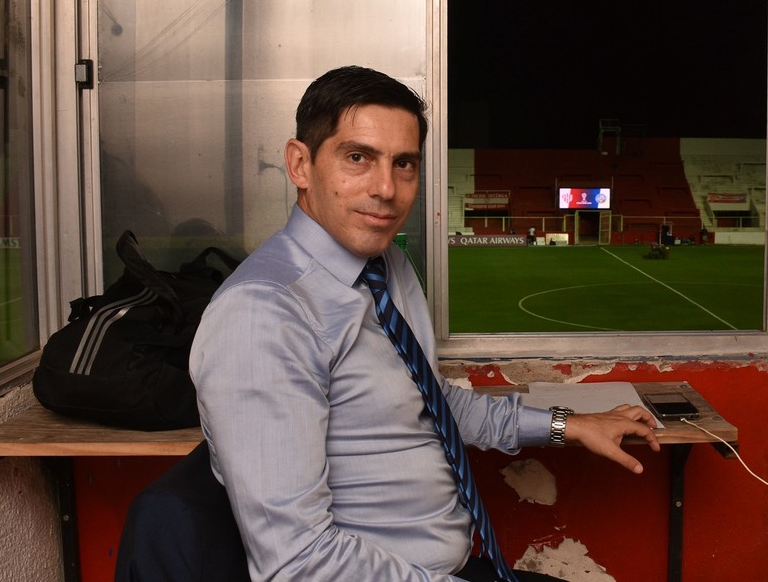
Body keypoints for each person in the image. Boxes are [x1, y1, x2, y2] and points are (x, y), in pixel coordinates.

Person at [190, 66, 660, 582]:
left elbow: (430, 400)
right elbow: (299, 563)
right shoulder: (264, 313)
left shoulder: (386, 265)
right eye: (357, 158)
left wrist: (566, 425)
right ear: (300, 164)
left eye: (404, 164)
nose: (387, 188)